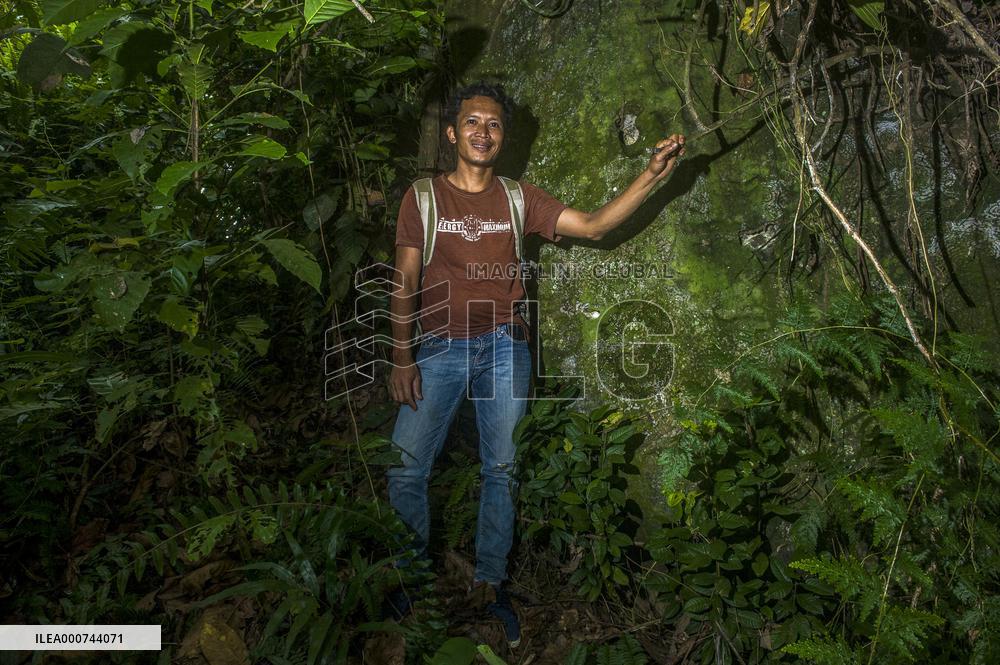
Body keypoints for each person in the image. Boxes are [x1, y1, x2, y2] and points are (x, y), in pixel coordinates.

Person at [385, 81, 685, 647]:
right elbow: (403, 279)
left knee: (501, 469)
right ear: (452, 133)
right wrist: (402, 357)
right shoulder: (423, 198)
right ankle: (411, 580)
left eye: (494, 124)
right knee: (405, 469)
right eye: (472, 122)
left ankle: (490, 585)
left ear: (503, 137)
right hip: (440, 346)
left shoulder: (519, 199)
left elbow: (595, 226)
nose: (483, 132)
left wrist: (652, 174)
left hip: (504, 345)